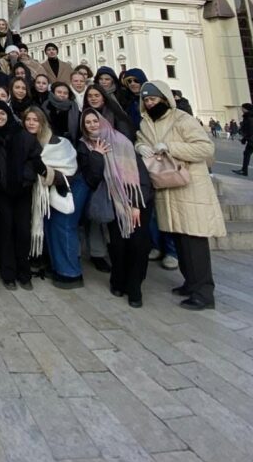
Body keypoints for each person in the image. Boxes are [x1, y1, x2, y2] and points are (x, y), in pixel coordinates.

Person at [136, 81, 225, 310]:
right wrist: (140, 147)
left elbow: (205, 148)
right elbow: (142, 141)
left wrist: (171, 147)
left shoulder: (183, 119)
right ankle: (190, 283)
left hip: (189, 186)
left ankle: (204, 293)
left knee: (194, 241)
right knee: (179, 239)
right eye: (146, 100)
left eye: (153, 99)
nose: (149, 103)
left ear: (164, 99)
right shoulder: (146, 123)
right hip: (166, 187)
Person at [77, 109, 152, 307]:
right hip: (112, 202)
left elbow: (139, 174)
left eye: (95, 121)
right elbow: (92, 178)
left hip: (135, 201)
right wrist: (96, 155)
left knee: (138, 246)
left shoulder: (122, 141)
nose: (92, 125)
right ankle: (118, 281)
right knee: (117, 246)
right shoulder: (86, 146)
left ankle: (135, 288)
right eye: (88, 123)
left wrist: (136, 204)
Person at [24, 106, 86, 288]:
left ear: (42, 122)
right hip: (39, 195)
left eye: (35, 120)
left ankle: (71, 273)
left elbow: (69, 169)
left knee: (62, 229)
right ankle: (52, 264)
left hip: (62, 191)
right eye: (28, 119)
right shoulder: (25, 140)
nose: (31, 123)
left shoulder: (59, 143)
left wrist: (46, 172)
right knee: (49, 228)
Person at [0, 100, 45, 290]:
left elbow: (35, 159)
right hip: (2, 191)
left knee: (22, 231)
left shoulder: (23, 135)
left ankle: (24, 272)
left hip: (22, 190)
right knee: (6, 230)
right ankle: (8, 273)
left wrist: (24, 177)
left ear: (8, 115)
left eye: (2, 114)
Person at [234, 103, 253, 177]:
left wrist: (244, 140)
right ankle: (244, 170)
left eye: (242, 108)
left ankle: (244, 171)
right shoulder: (248, 117)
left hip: (251, 140)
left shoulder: (249, 118)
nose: (241, 109)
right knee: (246, 154)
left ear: (246, 109)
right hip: (250, 140)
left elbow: (250, 131)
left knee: (246, 154)